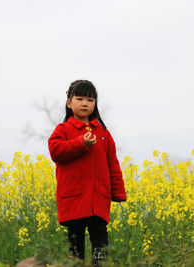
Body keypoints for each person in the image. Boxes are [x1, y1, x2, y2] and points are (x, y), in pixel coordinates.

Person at [48, 80, 127, 266]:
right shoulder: (63, 129)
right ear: (69, 103)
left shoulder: (103, 133)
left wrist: (117, 192)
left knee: (100, 241)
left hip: (98, 198)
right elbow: (56, 151)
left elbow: (112, 164)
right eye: (80, 98)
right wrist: (81, 143)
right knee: (76, 242)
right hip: (74, 198)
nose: (85, 103)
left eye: (90, 100)